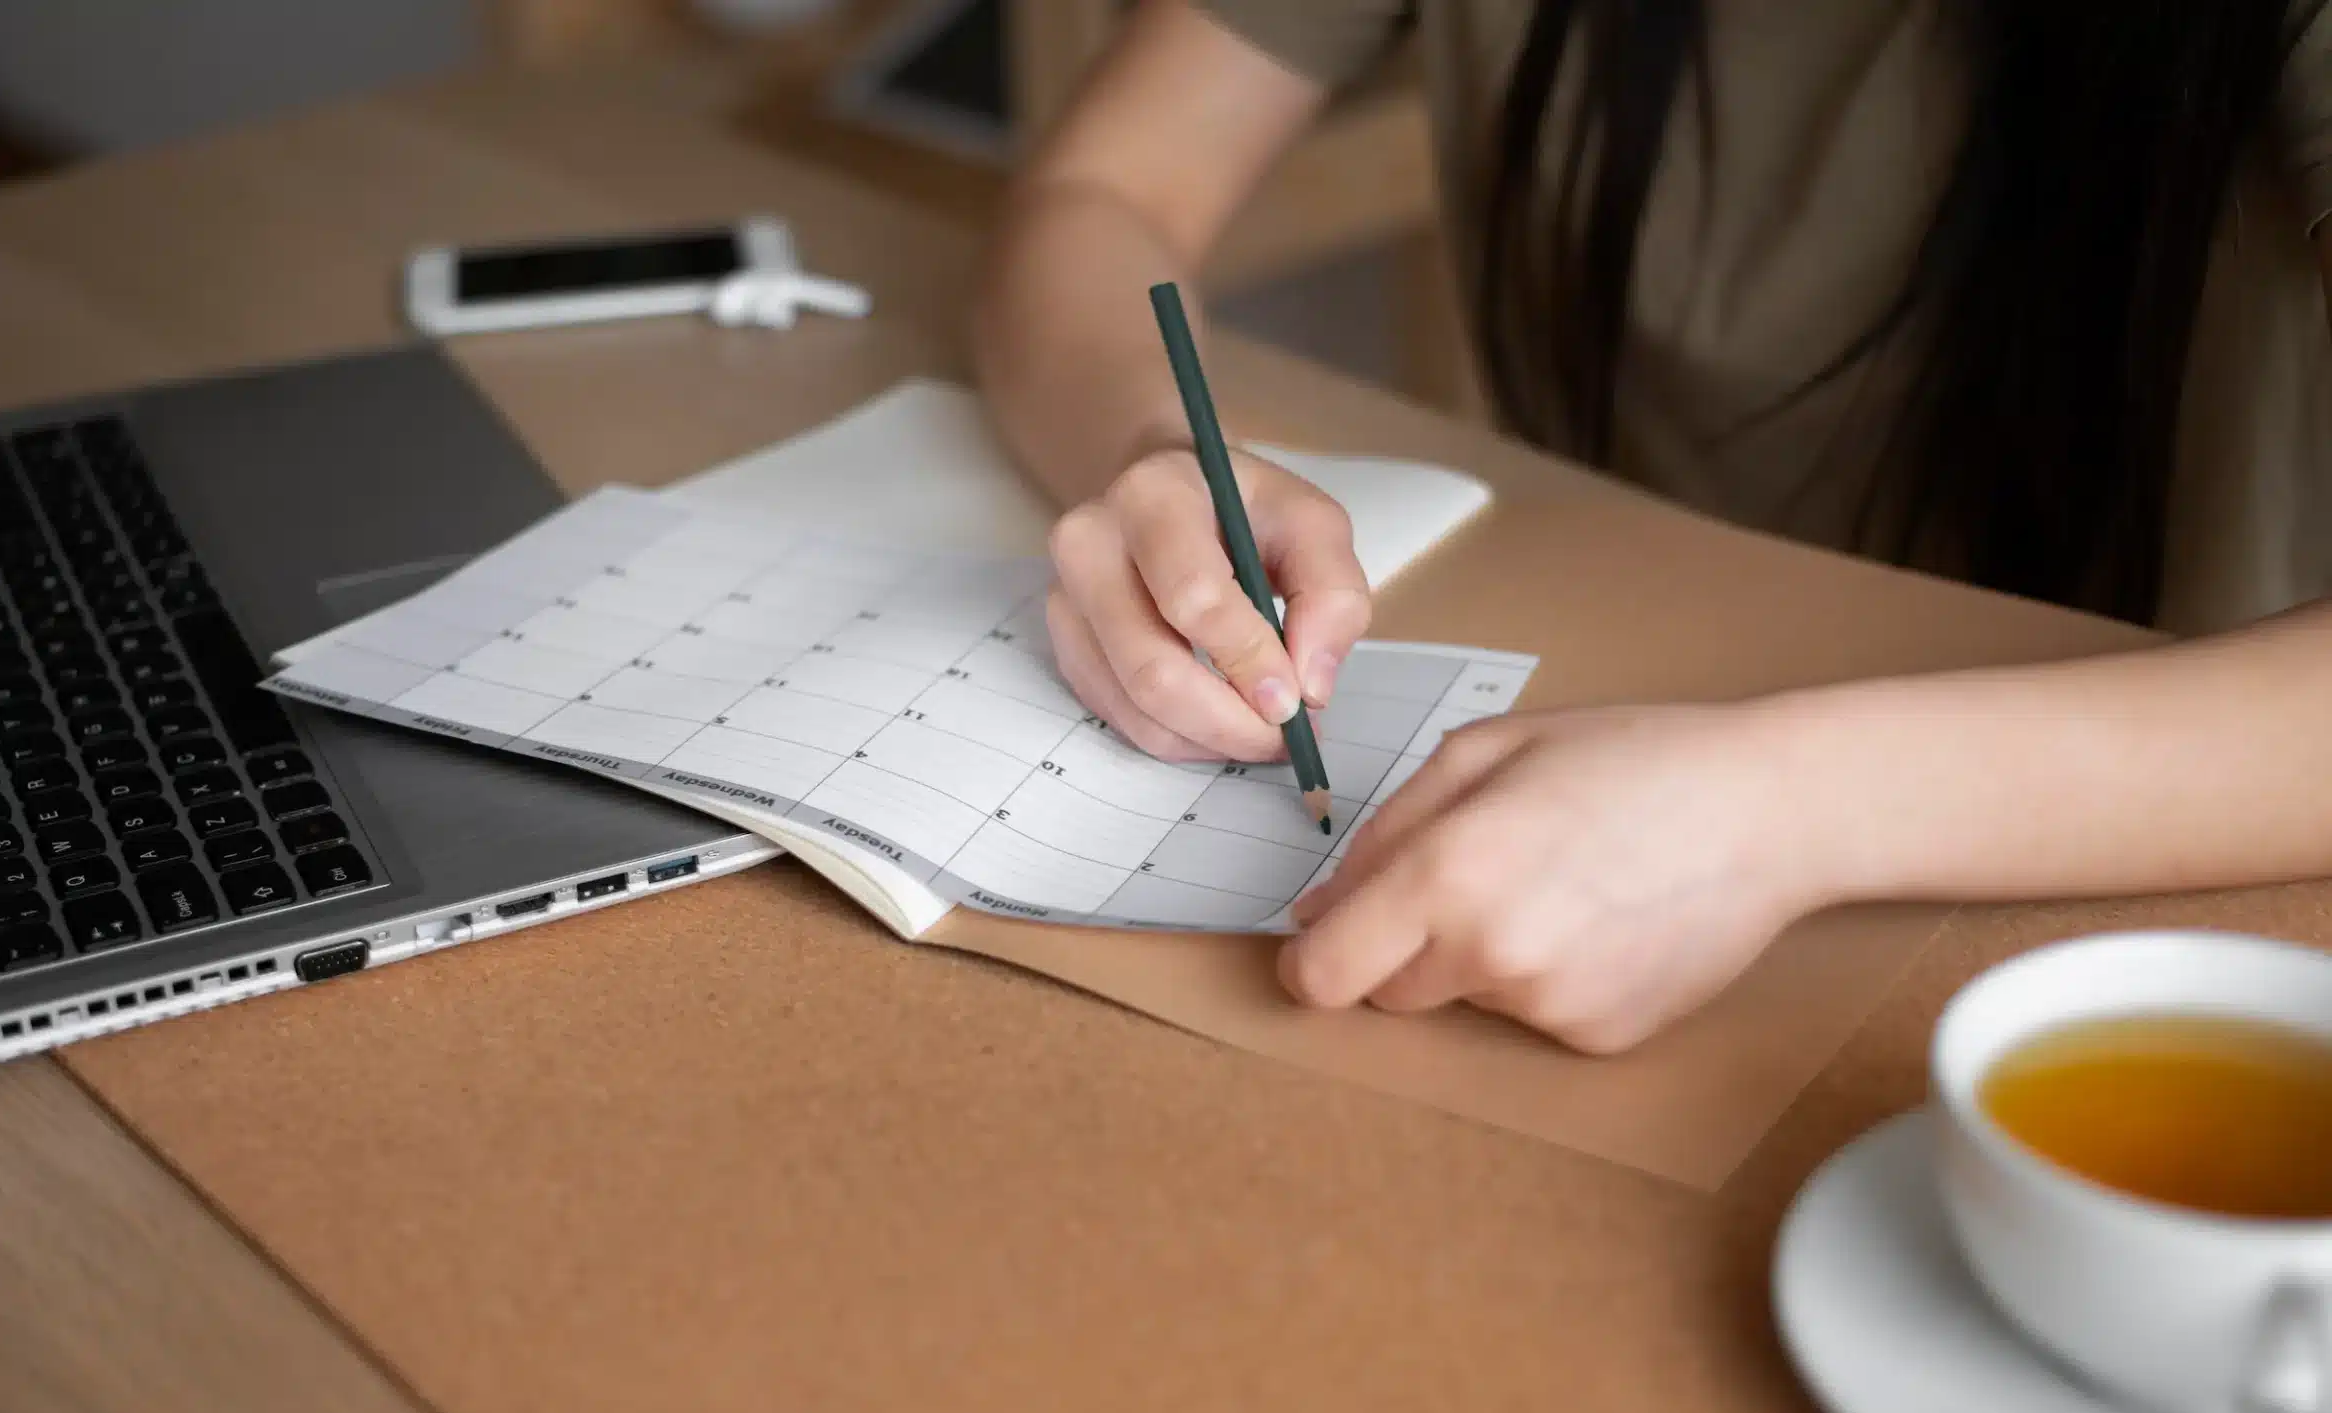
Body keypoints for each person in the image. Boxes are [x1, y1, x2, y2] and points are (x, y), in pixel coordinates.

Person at [970, 0, 2332, 1053]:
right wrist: (1155, 451)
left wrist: (1789, 809)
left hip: (2172, 849)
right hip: (1605, 714)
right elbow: (1107, 193)